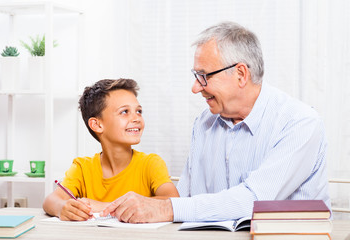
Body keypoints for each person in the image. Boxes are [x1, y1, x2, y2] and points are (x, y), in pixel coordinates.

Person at [100, 21, 330, 223]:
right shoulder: (204, 123)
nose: (195, 87)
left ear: (241, 74)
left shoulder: (300, 123)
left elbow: (256, 200)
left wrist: (166, 208)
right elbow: (187, 198)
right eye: (195, 76)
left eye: (204, 76)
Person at [43, 79, 179, 221]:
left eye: (139, 111)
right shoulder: (82, 168)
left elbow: (173, 201)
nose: (136, 118)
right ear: (97, 125)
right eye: (125, 112)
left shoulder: (151, 164)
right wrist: (63, 208)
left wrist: (102, 206)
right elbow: (51, 201)